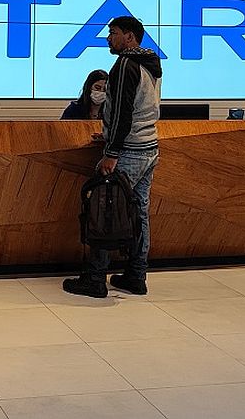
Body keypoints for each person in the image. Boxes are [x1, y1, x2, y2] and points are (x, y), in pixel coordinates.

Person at [64, 15, 162, 298]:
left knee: (105, 209)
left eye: (114, 33)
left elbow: (122, 112)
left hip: (128, 151)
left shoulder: (125, 65)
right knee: (139, 212)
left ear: (129, 37)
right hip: (148, 147)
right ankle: (136, 275)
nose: (108, 38)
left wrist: (112, 151)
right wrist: (110, 136)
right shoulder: (150, 64)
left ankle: (95, 278)